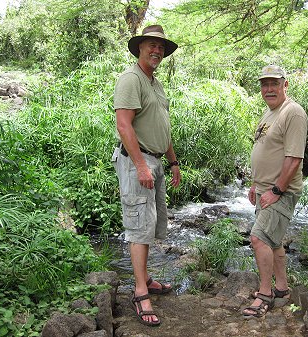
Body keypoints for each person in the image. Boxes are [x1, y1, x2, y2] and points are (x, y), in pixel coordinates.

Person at [111, 25, 181, 327]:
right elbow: (124, 125)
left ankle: (146, 278)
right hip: (136, 160)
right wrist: (140, 165)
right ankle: (140, 292)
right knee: (139, 227)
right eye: (152, 45)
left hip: (155, 161)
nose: (157, 51)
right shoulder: (131, 79)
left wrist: (173, 161)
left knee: (151, 224)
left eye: (161, 47)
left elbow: (160, 126)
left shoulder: (155, 83)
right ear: (140, 48)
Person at [243, 65, 308, 318]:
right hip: (265, 189)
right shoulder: (269, 113)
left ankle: (264, 294)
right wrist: (256, 185)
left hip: (281, 191)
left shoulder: (293, 113)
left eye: (274, 83)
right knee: (274, 241)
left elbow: (294, 158)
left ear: (285, 84)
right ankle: (281, 288)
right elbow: (265, 150)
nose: (269, 89)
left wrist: (277, 190)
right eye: (264, 84)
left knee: (259, 238)